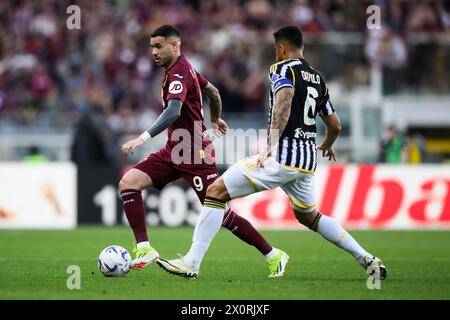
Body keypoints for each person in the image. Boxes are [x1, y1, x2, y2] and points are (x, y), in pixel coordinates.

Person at [157, 26, 388, 280]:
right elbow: (335, 125)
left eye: (274, 49)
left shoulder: (282, 69)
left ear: (281, 48)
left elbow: (284, 101)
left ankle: (192, 262)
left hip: (282, 156)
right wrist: (328, 143)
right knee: (309, 217)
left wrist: (270, 145)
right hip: (307, 161)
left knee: (215, 192)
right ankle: (366, 258)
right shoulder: (317, 79)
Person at [119, 25, 287, 277]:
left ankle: (274, 255)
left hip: (194, 152)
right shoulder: (185, 69)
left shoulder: (178, 73)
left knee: (221, 212)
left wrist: (143, 138)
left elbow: (174, 110)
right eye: (151, 46)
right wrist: (216, 118)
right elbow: (213, 91)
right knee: (128, 182)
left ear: (174, 46)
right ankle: (144, 248)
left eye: (158, 46)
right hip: (174, 149)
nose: (153, 51)